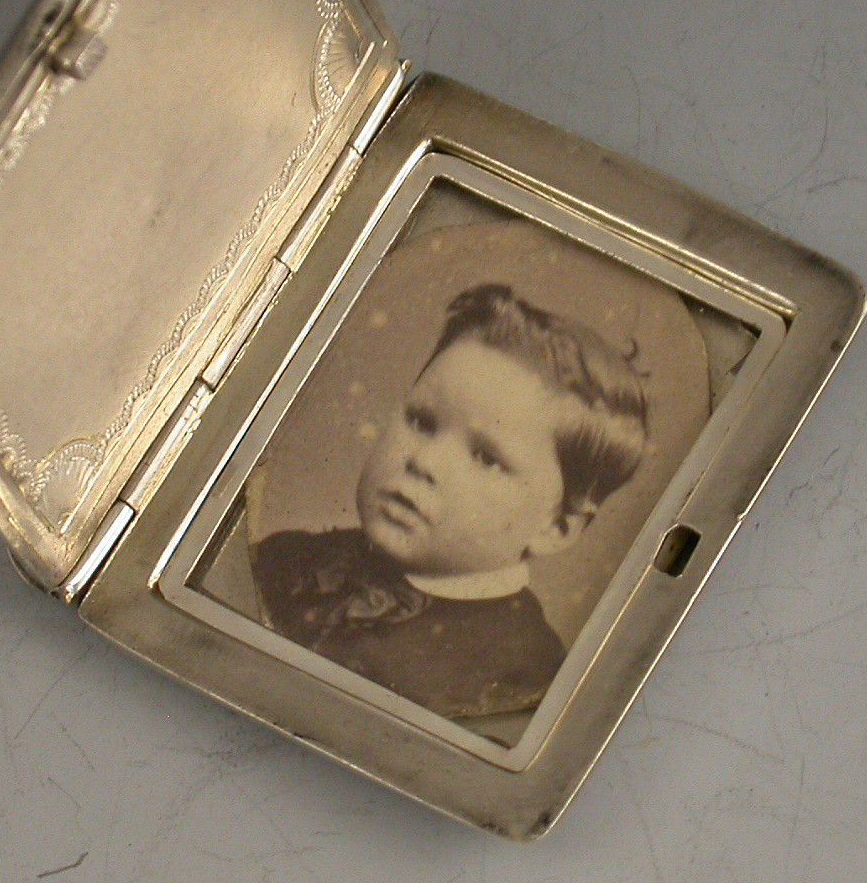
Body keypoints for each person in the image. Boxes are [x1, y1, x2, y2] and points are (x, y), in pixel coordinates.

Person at [252, 282, 652, 721]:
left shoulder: (521, 678)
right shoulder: (287, 557)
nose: (424, 461)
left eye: (485, 457)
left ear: (556, 527)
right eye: (421, 421)